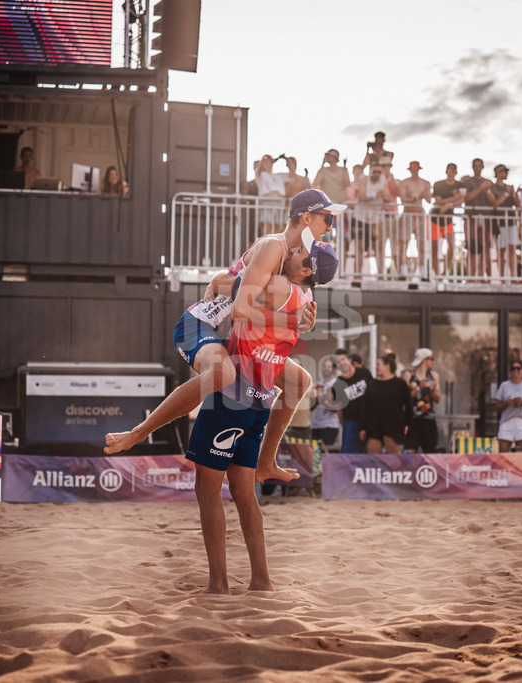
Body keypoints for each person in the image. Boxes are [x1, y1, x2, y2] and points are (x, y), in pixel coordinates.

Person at [105, 189, 344, 480]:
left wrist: (301, 320)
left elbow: (231, 284)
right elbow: (231, 295)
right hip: (203, 323)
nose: (329, 227)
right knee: (223, 373)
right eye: (327, 218)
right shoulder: (275, 248)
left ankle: (266, 463)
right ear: (306, 218)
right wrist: (291, 319)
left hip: (234, 335)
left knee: (299, 381)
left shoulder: (293, 265)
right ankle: (140, 432)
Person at [185, 250, 329, 595]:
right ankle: (261, 580)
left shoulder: (277, 284)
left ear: (305, 270)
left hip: (234, 391)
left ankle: (218, 584)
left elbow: (225, 287)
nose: (292, 252)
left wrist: (221, 281)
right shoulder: (304, 300)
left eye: (300, 254)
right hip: (261, 397)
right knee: (244, 492)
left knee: (207, 488)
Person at [360, 352, 412, 454]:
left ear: (387, 366)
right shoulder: (372, 384)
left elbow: (409, 406)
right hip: (373, 427)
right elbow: (364, 407)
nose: (376, 367)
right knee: (373, 457)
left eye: (378, 365)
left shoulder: (400, 384)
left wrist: (406, 424)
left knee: (392, 458)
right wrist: (362, 428)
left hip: (394, 427)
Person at [332, 349, 373, 453]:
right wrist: (343, 424)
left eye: (343, 359)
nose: (342, 363)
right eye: (338, 362)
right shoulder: (338, 385)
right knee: (349, 454)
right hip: (351, 422)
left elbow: (374, 392)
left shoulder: (364, 372)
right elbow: (339, 409)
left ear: (349, 360)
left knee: (370, 453)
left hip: (369, 419)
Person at [429, 163, 464, 276]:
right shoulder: (438, 184)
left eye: (453, 170)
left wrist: (449, 205)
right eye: (449, 170)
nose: (451, 172)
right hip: (435, 219)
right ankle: (436, 273)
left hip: (448, 220)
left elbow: (461, 201)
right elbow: (438, 201)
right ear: (446, 171)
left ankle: (444, 272)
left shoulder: (460, 185)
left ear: (456, 172)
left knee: (451, 246)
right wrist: (454, 198)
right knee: (434, 248)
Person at [404, 348, 441, 453]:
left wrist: (432, 388)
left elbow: (437, 399)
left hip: (428, 418)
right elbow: (404, 398)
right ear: (425, 360)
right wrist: (418, 388)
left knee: (430, 452)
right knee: (410, 452)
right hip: (413, 419)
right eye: (431, 359)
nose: (433, 362)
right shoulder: (409, 375)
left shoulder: (433, 376)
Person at [398, 162, 431, 277]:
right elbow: (403, 199)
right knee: (404, 243)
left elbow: (429, 199)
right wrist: (416, 197)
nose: (414, 172)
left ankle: (422, 273)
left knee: (421, 245)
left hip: (419, 215)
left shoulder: (425, 183)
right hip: (408, 214)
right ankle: (403, 272)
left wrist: (424, 195)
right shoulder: (405, 183)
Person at [495, 360, 522, 451]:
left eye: (518, 368)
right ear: (510, 371)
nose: (515, 371)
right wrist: (506, 404)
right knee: (503, 453)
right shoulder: (504, 385)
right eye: (513, 368)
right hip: (507, 421)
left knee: (520, 453)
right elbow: (497, 407)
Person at [461, 158, 493, 277]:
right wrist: (481, 189)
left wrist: (488, 190)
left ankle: (483, 277)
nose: (477, 167)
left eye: (479, 165)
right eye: (475, 165)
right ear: (472, 167)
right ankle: (471, 277)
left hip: (486, 218)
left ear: (482, 167)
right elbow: (465, 198)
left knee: (485, 248)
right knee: (472, 248)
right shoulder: (467, 181)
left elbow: (492, 201)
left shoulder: (488, 182)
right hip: (471, 218)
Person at [486, 164, 518, 279]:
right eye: (504, 172)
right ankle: (502, 277)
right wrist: (506, 194)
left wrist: (515, 194)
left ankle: (513, 276)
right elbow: (494, 204)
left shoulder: (509, 188)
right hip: (499, 223)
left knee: (512, 249)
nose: (506, 174)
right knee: (501, 250)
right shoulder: (492, 188)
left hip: (511, 221)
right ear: (498, 173)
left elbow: (517, 204)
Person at [310, 357, 341, 448]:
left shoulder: (337, 385)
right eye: (324, 366)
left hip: (330, 425)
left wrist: (325, 399)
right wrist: (315, 399)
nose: (326, 369)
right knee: (315, 453)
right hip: (316, 425)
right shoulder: (318, 384)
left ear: (334, 369)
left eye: (329, 366)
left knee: (325, 453)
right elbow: (311, 408)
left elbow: (338, 408)